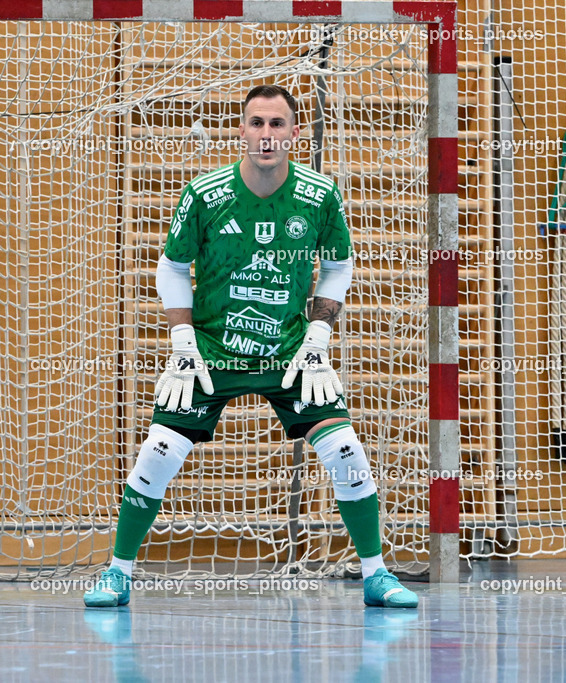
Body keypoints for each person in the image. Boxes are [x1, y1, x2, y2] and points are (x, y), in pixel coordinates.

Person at [84, 85, 417, 609]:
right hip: (212, 351)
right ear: (241, 130)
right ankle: (118, 573)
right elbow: (172, 268)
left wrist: (318, 337)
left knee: (346, 451)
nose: (267, 135)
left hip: (288, 352)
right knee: (158, 454)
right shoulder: (204, 194)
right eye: (257, 124)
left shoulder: (319, 195)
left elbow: (338, 265)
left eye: (278, 125)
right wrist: (182, 342)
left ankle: (376, 575)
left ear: (296, 134)